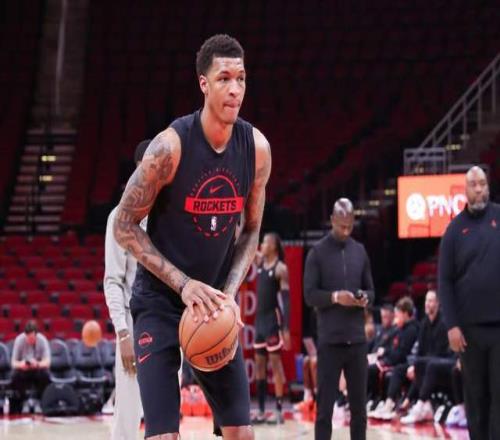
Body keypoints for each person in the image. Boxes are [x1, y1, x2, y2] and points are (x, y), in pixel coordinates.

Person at [114, 34, 271, 440]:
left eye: (241, 78)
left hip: (212, 305)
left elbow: (252, 230)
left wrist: (228, 294)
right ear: (204, 83)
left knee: (241, 433)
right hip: (160, 302)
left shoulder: (256, 149)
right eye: (224, 79)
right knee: (164, 436)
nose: (235, 89)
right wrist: (183, 285)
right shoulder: (170, 147)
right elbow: (123, 225)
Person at [304, 198, 374, 440]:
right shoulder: (317, 253)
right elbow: (309, 295)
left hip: (357, 341)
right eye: (342, 225)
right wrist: (335, 297)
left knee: (359, 410)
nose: (345, 231)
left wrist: (365, 298)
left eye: (350, 226)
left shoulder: (360, 251)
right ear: (332, 220)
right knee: (324, 410)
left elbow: (372, 290)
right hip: (330, 342)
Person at [438, 165, 500, 440]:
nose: (479, 189)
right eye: (473, 184)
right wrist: (452, 325)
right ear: (465, 190)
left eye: (482, 184)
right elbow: (444, 281)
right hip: (469, 332)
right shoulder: (454, 230)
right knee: (476, 399)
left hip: (499, 328)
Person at [103, 139, 150, 439]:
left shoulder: (173, 216)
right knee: (128, 416)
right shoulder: (120, 216)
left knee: (167, 417)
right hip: (135, 324)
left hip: (169, 322)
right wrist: (123, 334)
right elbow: (113, 280)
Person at [251, 232, 290, 424]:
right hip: (259, 322)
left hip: (272, 322)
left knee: (275, 365)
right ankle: (260, 410)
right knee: (259, 366)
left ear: (274, 246)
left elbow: (286, 302)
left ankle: (279, 411)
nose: (262, 245)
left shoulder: (281, 269)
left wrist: (286, 328)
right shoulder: (260, 262)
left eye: (265, 242)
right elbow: (249, 247)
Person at [367, 296, 419, 417]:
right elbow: (392, 349)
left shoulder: (411, 330)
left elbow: (401, 354)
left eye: (397, 314)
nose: (396, 317)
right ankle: (373, 400)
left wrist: (385, 354)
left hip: (405, 362)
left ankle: (387, 402)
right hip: (395, 360)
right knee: (369, 366)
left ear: (405, 314)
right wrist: (384, 354)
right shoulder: (399, 329)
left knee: (383, 370)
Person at [11, 321, 51, 413]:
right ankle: (24, 401)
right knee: (14, 376)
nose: (30, 340)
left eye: (32, 338)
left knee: (46, 374)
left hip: (37, 369)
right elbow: (13, 363)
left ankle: (39, 401)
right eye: (28, 338)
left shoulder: (43, 340)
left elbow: (48, 362)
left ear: (36, 335)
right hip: (24, 370)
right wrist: (21, 364)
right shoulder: (19, 340)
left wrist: (38, 364)